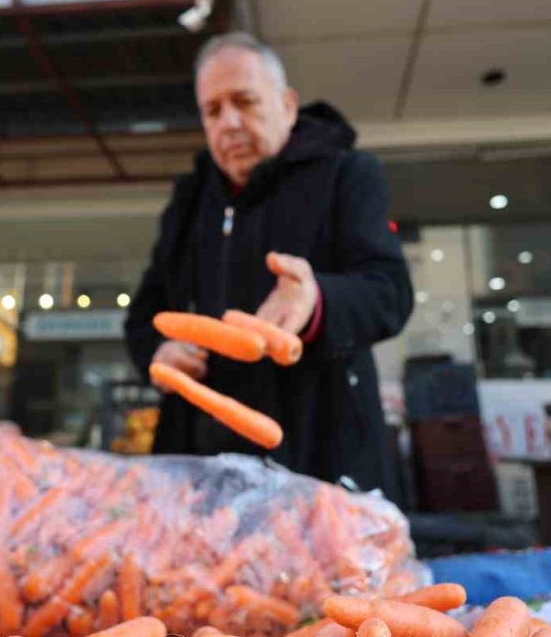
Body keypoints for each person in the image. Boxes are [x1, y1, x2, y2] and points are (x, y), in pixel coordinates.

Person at [123, 33, 413, 504]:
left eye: (245, 102)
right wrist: (157, 352)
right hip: (200, 470)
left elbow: (390, 292)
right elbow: (144, 314)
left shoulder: (348, 174)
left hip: (320, 456)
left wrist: (317, 299)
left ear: (287, 105)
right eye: (213, 111)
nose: (229, 123)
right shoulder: (189, 202)